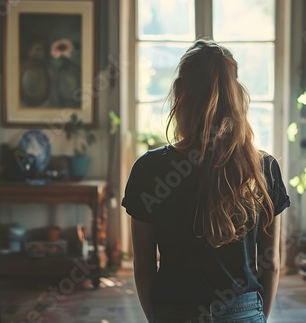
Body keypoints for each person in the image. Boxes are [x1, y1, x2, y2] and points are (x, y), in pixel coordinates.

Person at [122, 39, 290, 323]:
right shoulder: (264, 168)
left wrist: (159, 317)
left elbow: (144, 266)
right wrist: (257, 315)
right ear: (236, 95)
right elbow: (271, 264)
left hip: (175, 311)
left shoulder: (149, 168)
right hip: (244, 311)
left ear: (179, 93)